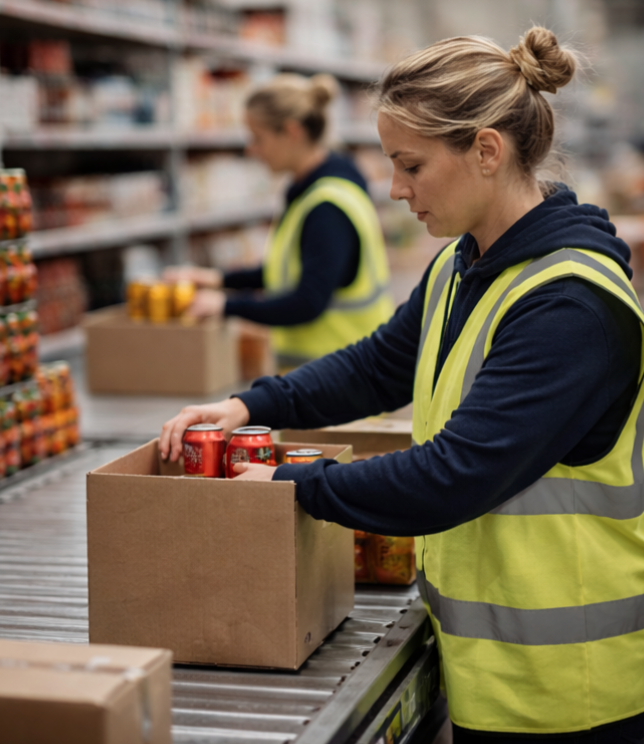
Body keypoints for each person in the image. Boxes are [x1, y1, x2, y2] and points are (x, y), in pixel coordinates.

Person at [160, 27, 644, 743]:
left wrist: (297, 484)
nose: (394, 189)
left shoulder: (568, 306)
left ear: (486, 150)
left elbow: (454, 475)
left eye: (410, 165)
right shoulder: (465, 265)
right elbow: (376, 366)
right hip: (501, 670)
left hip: (575, 692)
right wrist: (248, 405)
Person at [164, 73, 394, 369]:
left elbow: (307, 301)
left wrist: (224, 306)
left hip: (341, 380)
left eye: (258, 138)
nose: (251, 150)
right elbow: (293, 270)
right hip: (328, 377)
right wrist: (218, 280)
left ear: (291, 132)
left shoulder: (327, 206)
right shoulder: (315, 187)